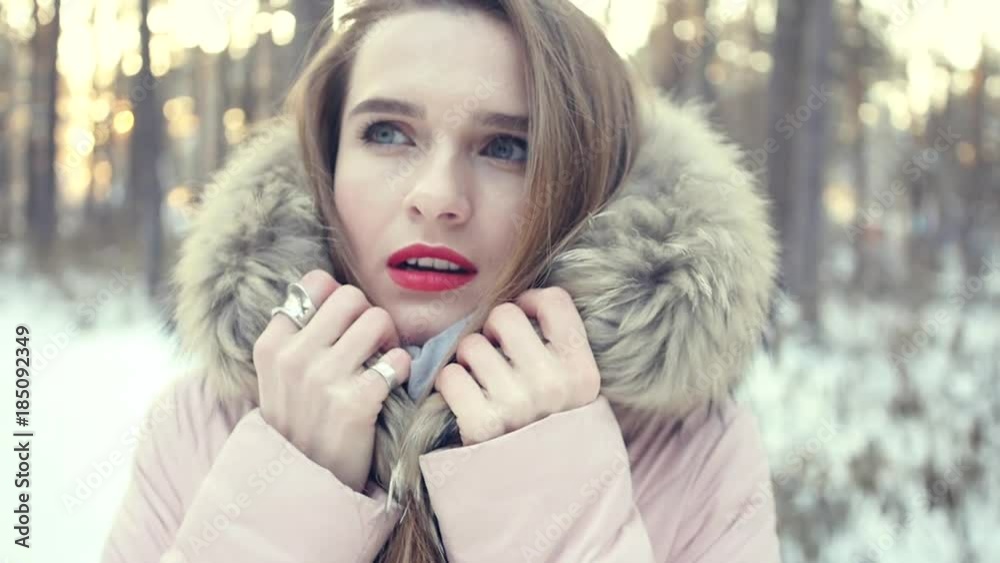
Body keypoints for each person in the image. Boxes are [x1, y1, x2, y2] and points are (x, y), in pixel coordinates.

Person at [101, 0, 782, 562]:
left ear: (587, 187)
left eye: (507, 147)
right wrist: (287, 495)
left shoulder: (695, 450)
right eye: (388, 134)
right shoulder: (202, 424)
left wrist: (552, 506)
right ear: (326, 161)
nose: (436, 196)